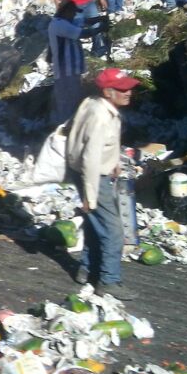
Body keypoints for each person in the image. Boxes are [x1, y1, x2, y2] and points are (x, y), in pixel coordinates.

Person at [66, 68, 140, 299]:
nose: (128, 92)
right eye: (122, 89)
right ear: (108, 92)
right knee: (114, 230)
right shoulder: (100, 116)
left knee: (95, 223)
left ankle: (87, 269)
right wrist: (91, 195)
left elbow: (101, 146)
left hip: (93, 171)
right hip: (93, 176)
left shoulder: (94, 104)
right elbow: (91, 157)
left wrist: (114, 161)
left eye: (128, 87)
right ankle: (109, 280)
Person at [48, 0, 87, 124]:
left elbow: (84, 22)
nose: (74, 15)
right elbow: (84, 33)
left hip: (72, 71)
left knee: (73, 102)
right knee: (68, 104)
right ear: (66, 11)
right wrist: (101, 28)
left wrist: (99, 20)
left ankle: (68, 126)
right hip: (66, 71)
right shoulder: (60, 25)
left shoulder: (65, 23)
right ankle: (64, 129)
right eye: (73, 12)